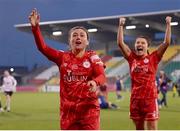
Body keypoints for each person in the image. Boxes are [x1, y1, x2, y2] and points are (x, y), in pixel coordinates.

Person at [29, 9, 106, 130]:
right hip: (68, 113)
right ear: (70, 41)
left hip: (89, 111)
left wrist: (94, 82)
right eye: (74, 35)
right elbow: (43, 48)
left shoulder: (93, 57)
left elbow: (101, 75)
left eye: (82, 35)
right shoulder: (62, 57)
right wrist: (35, 28)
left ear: (87, 41)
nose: (78, 37)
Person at [117, 16, 171, 130]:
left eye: (143, 43)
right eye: (137, 43)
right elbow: (120, 43)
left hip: (150, 99)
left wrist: (168, 24)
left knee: (152, 128)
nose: (139, 44)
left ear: (147, 46)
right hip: (135, 100)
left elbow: (166, 42)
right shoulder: (132, 58)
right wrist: (121, 25)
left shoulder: (154, 57)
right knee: (139, 128)